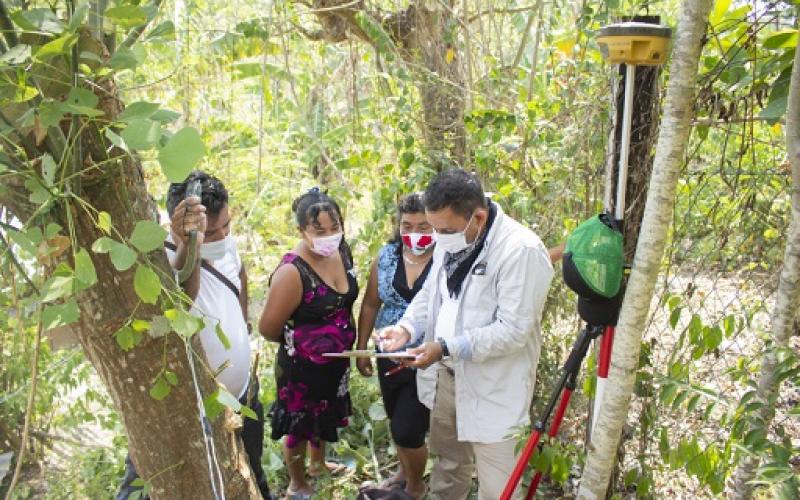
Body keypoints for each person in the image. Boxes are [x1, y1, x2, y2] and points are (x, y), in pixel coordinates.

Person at [379, 169, 554, 500]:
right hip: (448, 380)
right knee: (448, 466)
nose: (438, 238)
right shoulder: (453, 237)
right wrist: (406, 328)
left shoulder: (521, 251)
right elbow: (432, 292)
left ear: (479, 216)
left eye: (445, 230)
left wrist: (445, 347)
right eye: (435, 229)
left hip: (493, 388)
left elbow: (513, 330)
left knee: (499, 487)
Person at [117, 171, 272, 499]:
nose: (221, 236)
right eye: (211, 232)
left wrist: (240, 328)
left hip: (241, 397)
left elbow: (239, 279)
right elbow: (182, 296)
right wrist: (191, 244)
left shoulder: (228, 246)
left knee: (252, 470)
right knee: (146, 480)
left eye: (225, 226)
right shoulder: (160, 257)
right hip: (190, 408)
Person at [258, 188, 359, 499]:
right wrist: (305, 345)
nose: (329, 236)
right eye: (319, 231)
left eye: (335, 229)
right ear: (302, 230)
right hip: (302, 369)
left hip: (336, 362)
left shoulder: (341, 251)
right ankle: (297, 481)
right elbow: (268, 328)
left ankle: (319, 464)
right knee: (299, 425)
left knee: (326, 412)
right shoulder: (292, 272)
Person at [356, 193, 435, 499]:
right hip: (387, 353)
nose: (415, 233)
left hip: (426, 356)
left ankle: (417, 485)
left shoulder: (446, 257)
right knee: (394, 415)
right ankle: (404, 472)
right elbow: (370, 304)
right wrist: (362, 347)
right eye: (408, 225)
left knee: (408, 428)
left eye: (423, 226)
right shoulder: (386, 257)